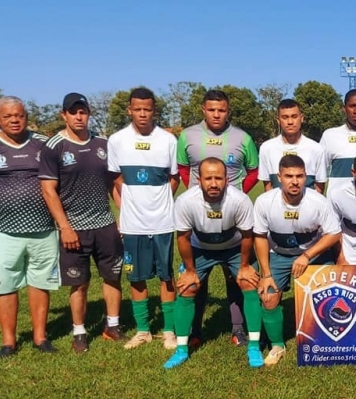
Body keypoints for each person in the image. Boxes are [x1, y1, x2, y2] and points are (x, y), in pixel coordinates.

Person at [39, 92, 125, 353]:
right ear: (64, 115)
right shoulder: (54, 146)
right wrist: (65, 227)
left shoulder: (103, 143)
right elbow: (48, 190)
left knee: (113, 276)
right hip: (73, 227)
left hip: (105, 224)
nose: (79, 116)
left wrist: (123, 216)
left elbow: (114, 182)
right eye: (73, 112)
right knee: (80, 282)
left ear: (88, 114)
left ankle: (112, 325)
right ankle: (79, 331)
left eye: (83, 111)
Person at [176, 89, 259, 347]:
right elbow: (182, 168)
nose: (216, 114)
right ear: (203, 109)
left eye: (221, 110)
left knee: (237, 278)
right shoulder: (187, 136)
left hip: (232, 219)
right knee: (194, 281)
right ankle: (195, 331)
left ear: (228, 111)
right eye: (211, 109)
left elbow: (254, 171)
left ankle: (238, 329)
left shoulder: (242, 138)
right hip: (200, 215)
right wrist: (198, 195)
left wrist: (234, 199)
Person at [165, 157, 264, 369]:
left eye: (218, 178)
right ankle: (182, 349)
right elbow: (182, 238)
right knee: (187, 287)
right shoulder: (185, 201)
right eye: (208, 178)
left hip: (234, 248)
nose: (213, 183)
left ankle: (254, 345)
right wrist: (190, 270)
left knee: (249, 283)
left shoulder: (240, 200)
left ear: (227, 180)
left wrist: (245, 266)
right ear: (198, 180)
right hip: (201, 249)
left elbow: (248, 235)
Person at [108, 87, 179, 350]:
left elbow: (174, 178)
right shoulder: (116, 140)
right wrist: (128, 204)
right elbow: (116, 177)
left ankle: (169, 330)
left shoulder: (168, 140)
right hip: (132, 224)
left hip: (162, 222)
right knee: (136, 277)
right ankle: (143, 330)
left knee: (166, 276)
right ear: (129, 110)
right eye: (137, 109)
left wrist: (159, 201)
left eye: (147, 109)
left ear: (154, 111)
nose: (142, 114)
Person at [253, 155, 341, 365]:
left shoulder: (318, 201)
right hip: (279, 254)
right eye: (289, 176)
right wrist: (265, 274)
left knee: (331, 292)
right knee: (268, 295)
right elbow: (260, 237)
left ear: (306, 177)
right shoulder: (265, 201)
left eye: (300, 176)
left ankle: (326, 338)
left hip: (312, 254)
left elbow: (334, 234)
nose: (295, 181)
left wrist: (307, 256)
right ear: (279, 177)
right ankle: (277, 345)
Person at [0, 96, 60, 356]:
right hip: (5, 231)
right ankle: (9, 342)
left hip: (43, 229)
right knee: (5, 286)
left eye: (19, 115)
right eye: (7, 116)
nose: (14, 120)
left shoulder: (43, 144)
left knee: (40, 282)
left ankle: (40, 337)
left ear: (26, 116)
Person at [258, 98, 326, 193]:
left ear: (301, 118)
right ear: (278, 120)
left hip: (307, 207)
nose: (290, 122)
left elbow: (319, 187)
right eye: (285, 117)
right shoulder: (266, 148)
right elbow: (268, 186)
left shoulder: (316, 148)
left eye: (294, 116)